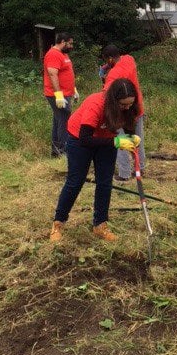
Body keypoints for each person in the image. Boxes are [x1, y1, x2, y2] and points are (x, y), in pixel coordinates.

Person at [50, 78, 141, 243]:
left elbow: (128, 125)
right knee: (75, 181)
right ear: (114, 101)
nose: (127, 108)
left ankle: (100, 225)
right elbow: (85, 139)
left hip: (106, 142)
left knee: (105, 183)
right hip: (80, 141)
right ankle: (58, 223)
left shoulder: (129, 106)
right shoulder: (96, 104)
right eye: (123, 105)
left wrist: (131, 138)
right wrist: (116, 142)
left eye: (130, 104)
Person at [101, 45, 145, 181]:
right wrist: (105, 66)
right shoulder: (129, 59)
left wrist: (104, 76)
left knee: (120, 140)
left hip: (120, 111)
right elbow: (122, 59)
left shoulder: (113, 75)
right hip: (136, 106)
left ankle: (124, 173)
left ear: (109, 59)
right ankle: (140, 168)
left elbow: (106, 96)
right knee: (137, 139)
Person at [43, 32, 79, 157]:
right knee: (64, 120)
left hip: (66, 93)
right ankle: (63, 151)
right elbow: (53, 74)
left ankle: (55, 150)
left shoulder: (63, 54)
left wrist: (73, 89)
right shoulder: (53, 54)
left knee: (58, 120)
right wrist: (58, 95)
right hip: (57, 95)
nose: (71, 46)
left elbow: (66, 73)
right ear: (63, 42)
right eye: (70, 43)